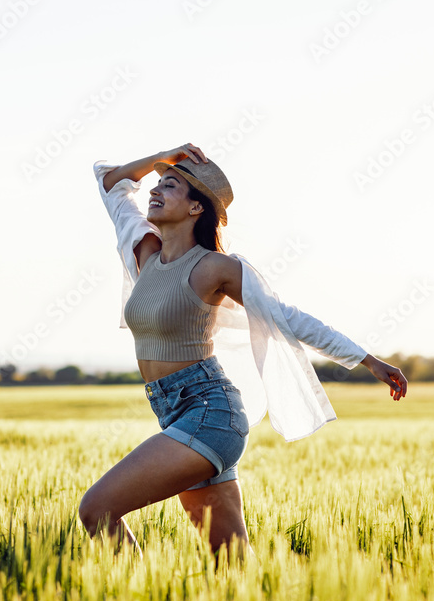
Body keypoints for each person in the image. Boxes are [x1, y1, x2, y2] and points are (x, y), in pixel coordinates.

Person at [78, 143, 407, 558]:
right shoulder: (143, 253)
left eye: (171, 185)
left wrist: (366, 360)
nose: (154, 190)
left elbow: (286, 317)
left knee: (96, 509)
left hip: (209, 412)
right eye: (157, 183)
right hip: (171, 411)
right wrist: (170, 153)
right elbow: (111, 182)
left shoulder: (214, 267)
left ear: (197, 209)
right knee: (232, 562)